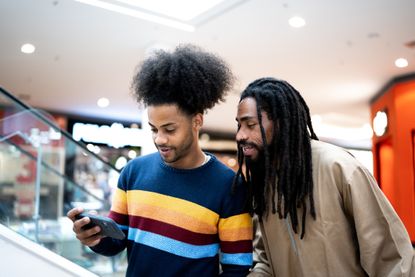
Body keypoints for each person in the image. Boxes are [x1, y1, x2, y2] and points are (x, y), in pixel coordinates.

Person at [67, 45, 253, 276]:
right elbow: (115, 242)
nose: (159, 138)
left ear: (197, 121)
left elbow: (238, 267)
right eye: (154, 129)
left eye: (169, 129)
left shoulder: (229, 186)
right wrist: (93, 237)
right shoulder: (133, 172)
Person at [233, 77, 415, 276]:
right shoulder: (264, 186)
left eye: (250, 125)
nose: (240, 135)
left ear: (281, 123)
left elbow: (391, 259)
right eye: (239, 126)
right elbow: (266, 262)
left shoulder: (339, 168)